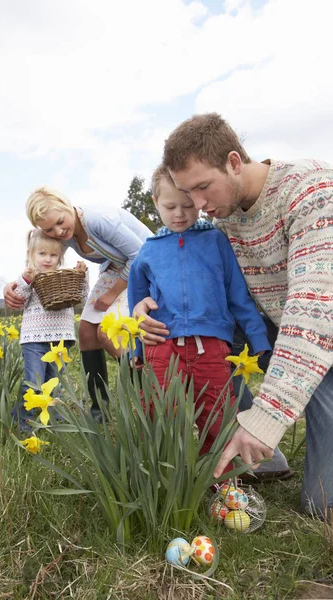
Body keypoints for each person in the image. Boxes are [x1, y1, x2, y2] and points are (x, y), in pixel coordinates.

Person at [136, 113, 333, 516]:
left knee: (321, 506)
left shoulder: (312, 190)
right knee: (203, 339)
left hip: (319, 331)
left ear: (233, 162)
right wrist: (144, 307)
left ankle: (256, 435)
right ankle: (253, 451)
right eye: (189, 195)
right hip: (272, 327)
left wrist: (266, 418)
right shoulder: (219, 220)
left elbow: (312, 318)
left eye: (203, 188)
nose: (198, 206)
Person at [128, 165, 271, 463]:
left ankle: (222, 489)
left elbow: (238, 296)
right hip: (162, 346)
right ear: (156, 202)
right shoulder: (148, 251)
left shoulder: (216, 241)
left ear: (198, 200)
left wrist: (258, 338)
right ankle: (164, 484)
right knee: (160, 414)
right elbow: (136, 304)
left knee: (218, 415)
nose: (179, 214)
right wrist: (137, 348)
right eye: (170, 206)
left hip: (213, 346)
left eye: (188, 205)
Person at [4, 186, 151, 422]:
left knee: (106, 334)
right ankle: (99, 412)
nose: (58, 231)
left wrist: (112, 294)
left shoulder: (98, 220)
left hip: (145, 267)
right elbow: (41, 256)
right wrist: (11, 286)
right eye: (49, 229)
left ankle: (148, 396)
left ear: (67, 206)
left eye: (60, 222)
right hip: (117, 269)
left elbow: (140, 254)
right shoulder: (63, 234)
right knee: (85, 330)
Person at [11, 229, 89, 431]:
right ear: (31, 254)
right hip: (34, 339)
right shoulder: (31, 277)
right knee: (33, 382)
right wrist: (25, 280)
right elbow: (20, 300)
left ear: (60, 257)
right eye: (42, 254)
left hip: (62, 338)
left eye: (53, 255)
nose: (47, 259)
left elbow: (82, 295)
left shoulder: (64, 279)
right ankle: (22, 419)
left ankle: (55, 419)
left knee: (56, 382)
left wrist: (83, 274)